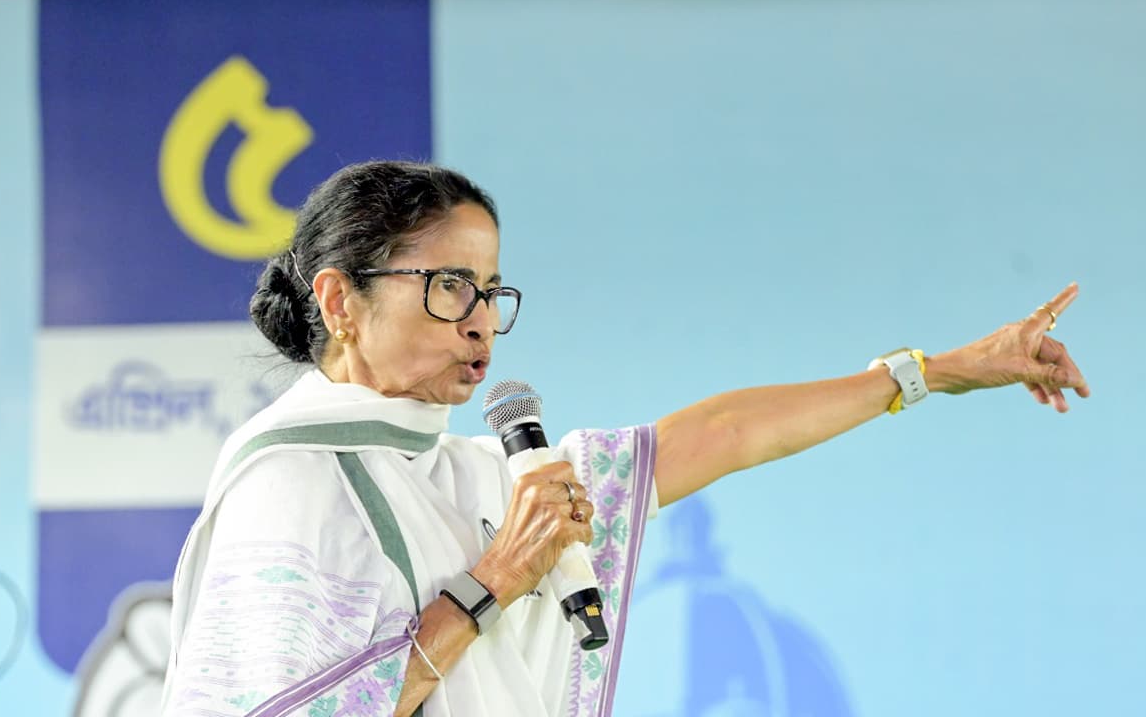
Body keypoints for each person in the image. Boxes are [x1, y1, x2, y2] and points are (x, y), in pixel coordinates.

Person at [161, 161, 1088, 717]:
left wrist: (940, 370)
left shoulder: (478, 475)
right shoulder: (288, 487)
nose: (480, 322)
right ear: (338, 301)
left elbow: (721, 434)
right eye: (449, 286)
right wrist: (493, 586)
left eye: (491, 293)